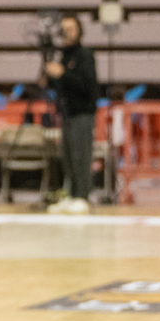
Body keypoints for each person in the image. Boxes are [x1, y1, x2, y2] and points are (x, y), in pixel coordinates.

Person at [44, 13, 99, 214]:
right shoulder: (63, 56)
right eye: (64, 30)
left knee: (80, 155)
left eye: (71, 29)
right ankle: (72, 194)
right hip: (66, 114)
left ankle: (82, 196)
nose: (67, 33)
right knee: (67, 157)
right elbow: (59, 86)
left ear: (79, 31)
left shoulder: (85, 55)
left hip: (82, 113)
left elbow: (87, 85)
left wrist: (63, 74)